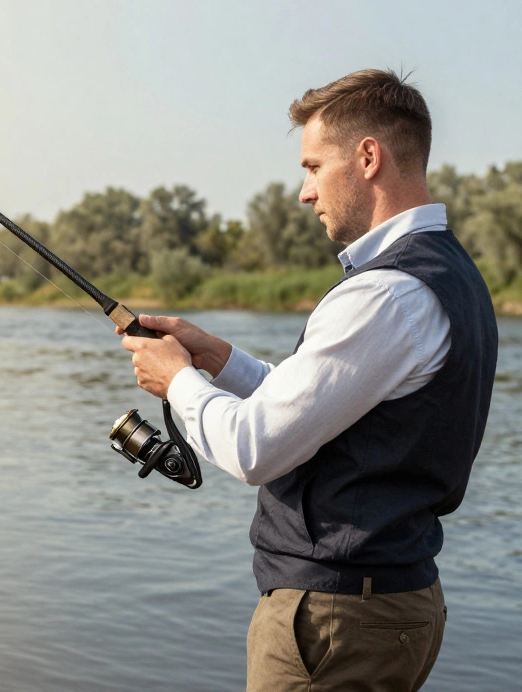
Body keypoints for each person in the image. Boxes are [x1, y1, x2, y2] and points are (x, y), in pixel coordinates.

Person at [121, 70, 497, 690]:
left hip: (335, 621)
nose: (304, 192)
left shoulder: (387, 295)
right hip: (389, 604)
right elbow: (323, 406)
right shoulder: (448, 273)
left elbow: (254, 448)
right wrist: (215, 358)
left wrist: (178, 381)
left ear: (367, 158)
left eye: (314, 166)